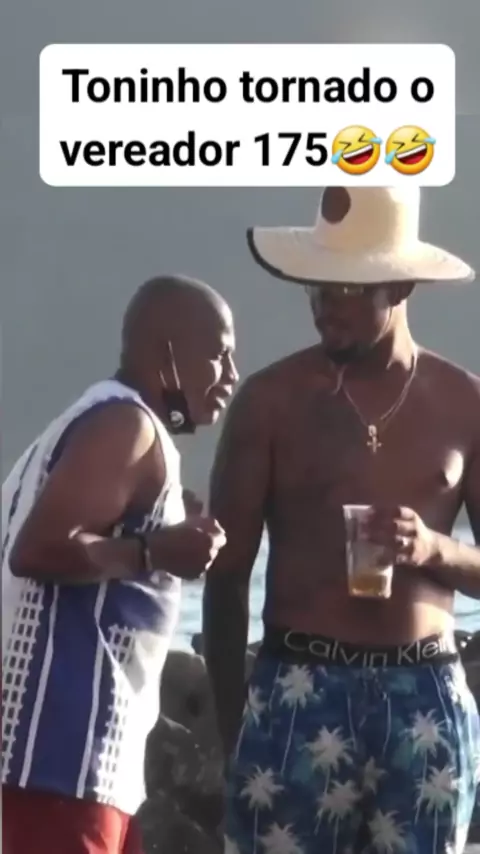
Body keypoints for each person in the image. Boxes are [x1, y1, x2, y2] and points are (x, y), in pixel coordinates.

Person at [203, 187, 480, 854]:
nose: (325, 305)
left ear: (401, 285)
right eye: (317, 287)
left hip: (425, 693)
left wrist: (431, 548)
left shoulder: (464, 404)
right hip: (299, 686)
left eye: (347, 289)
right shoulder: (270, 403)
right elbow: (225, 575)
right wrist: (236, 722)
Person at [2, 274, 239, 854]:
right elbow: (36, 550)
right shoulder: (125, 426)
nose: (232, 375)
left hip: (82, 760)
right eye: (219, 355)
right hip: (59, 755)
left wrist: (162, 533)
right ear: (167, 354)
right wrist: (154, 551)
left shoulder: (104, 419)